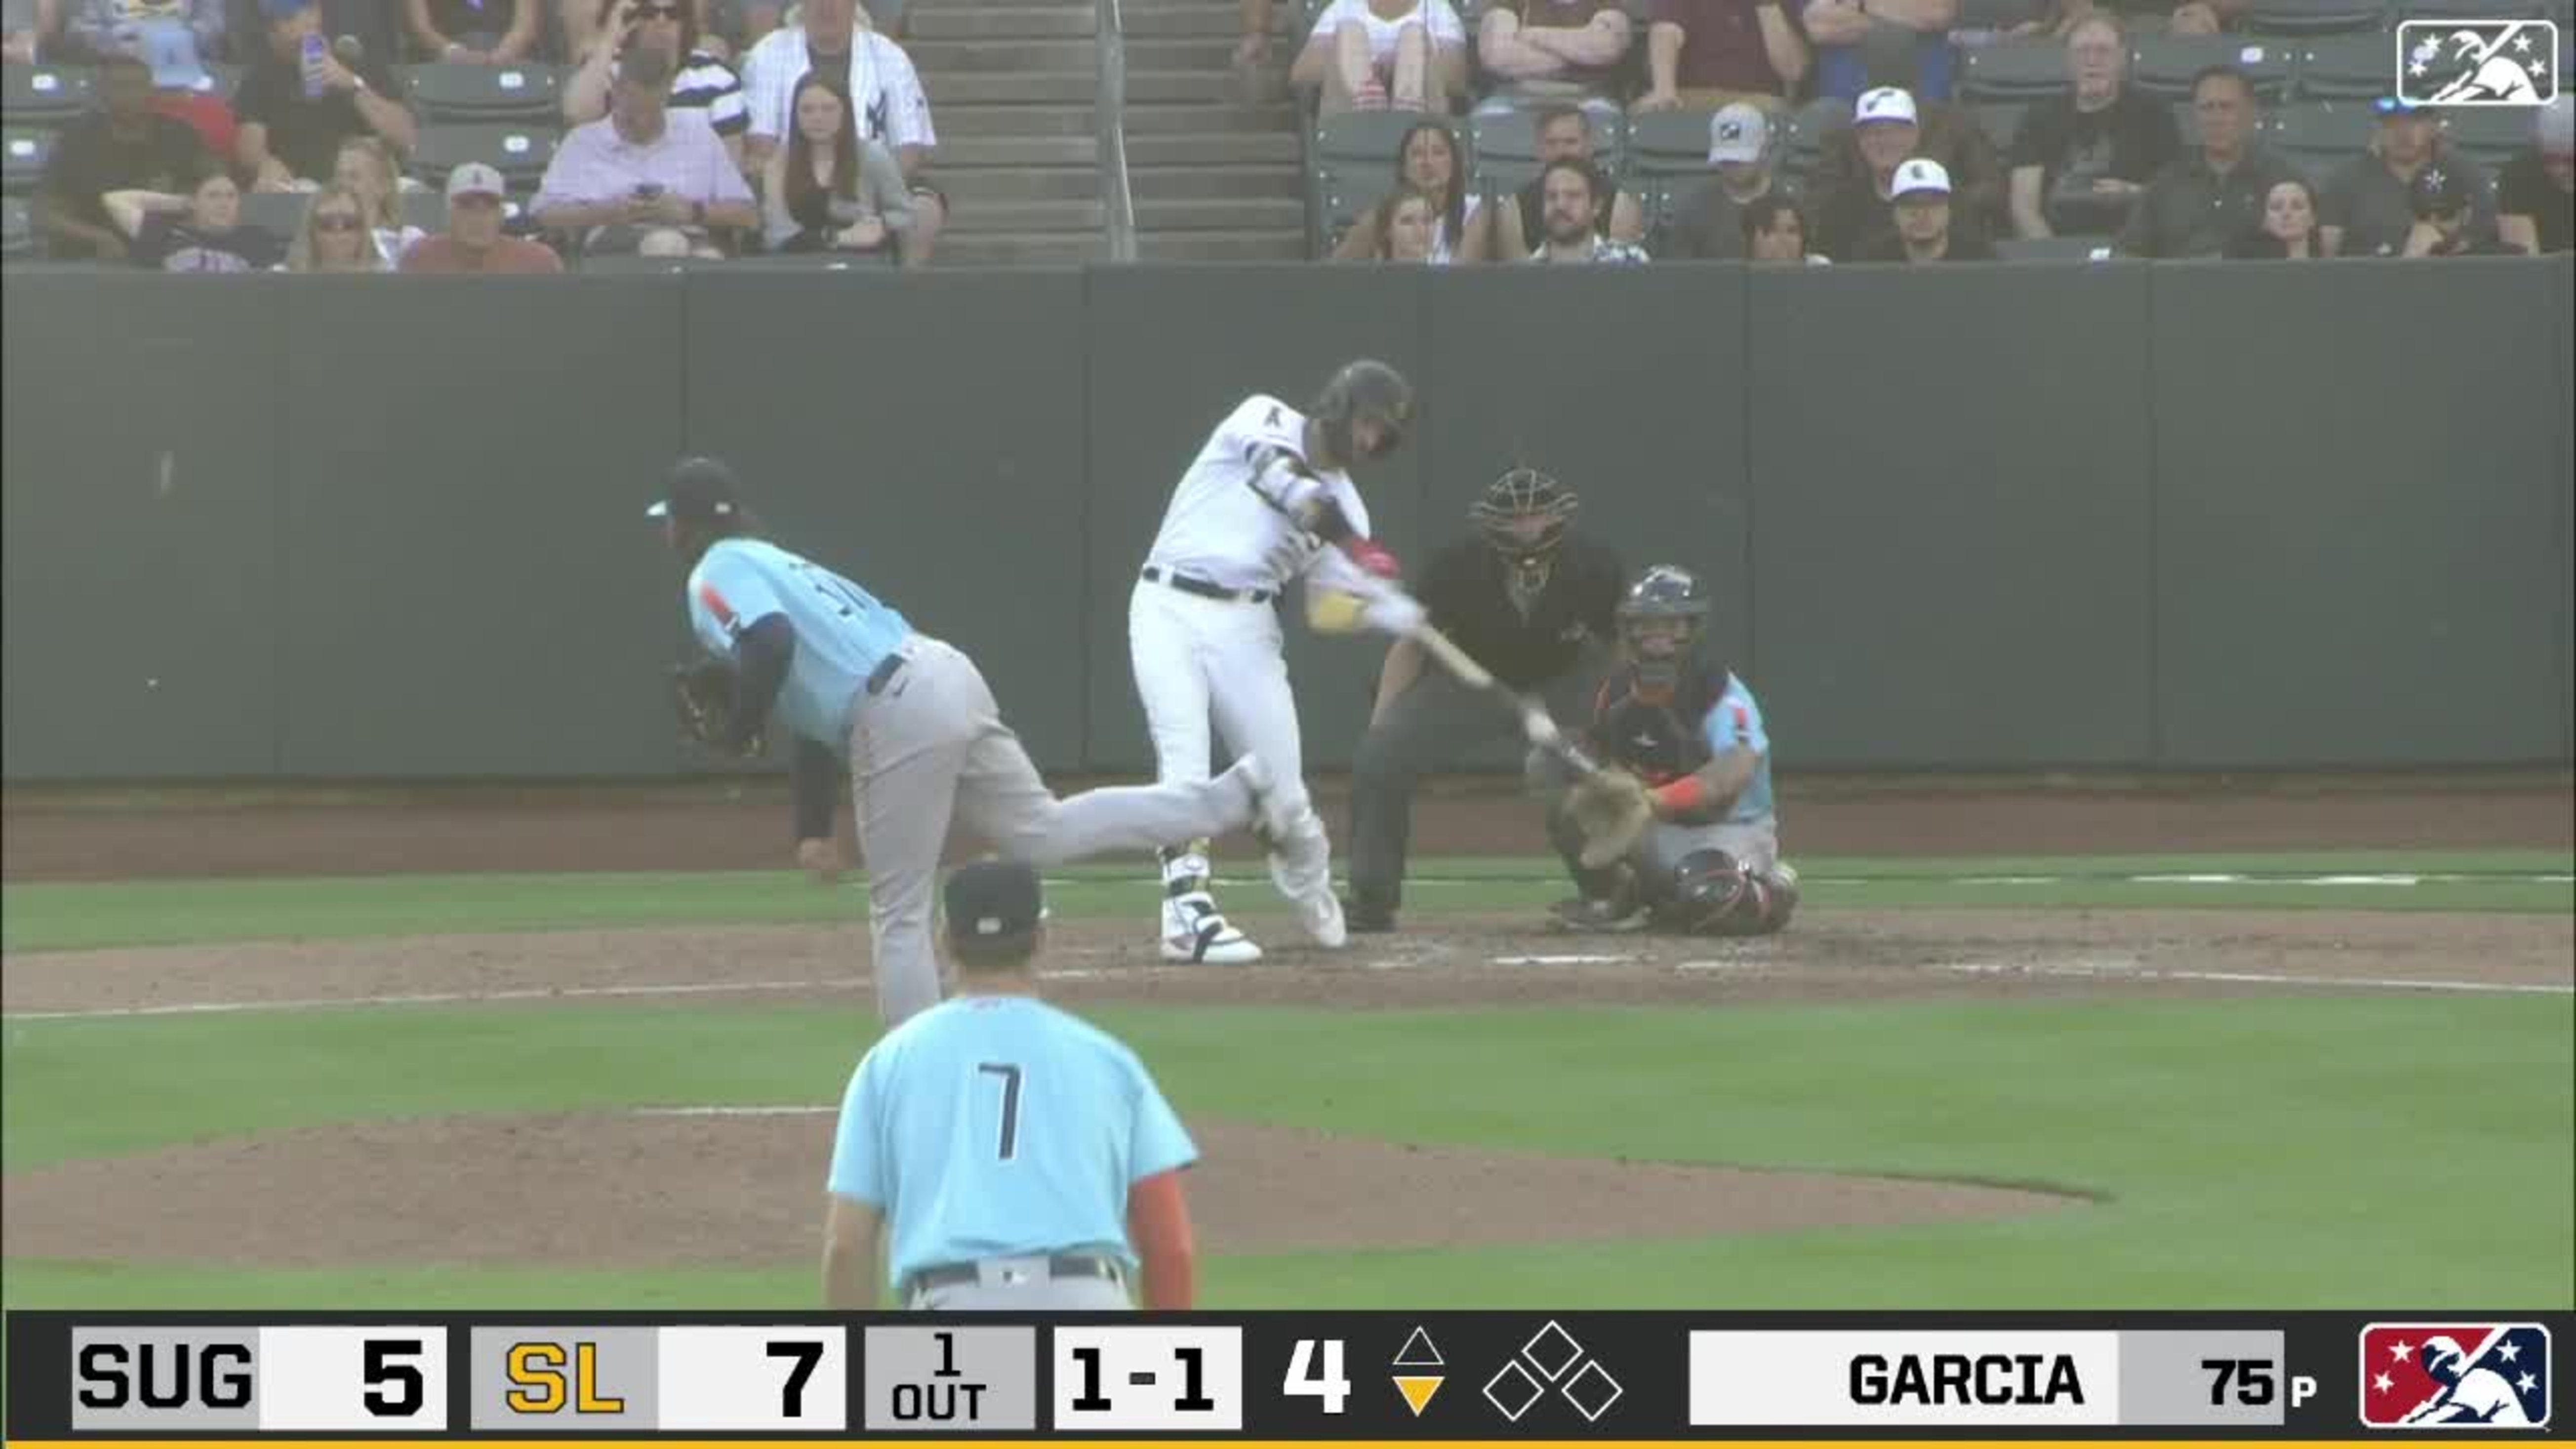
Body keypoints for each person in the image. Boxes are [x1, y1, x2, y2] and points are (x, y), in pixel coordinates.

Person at [652, 456, 1285, 1025]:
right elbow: (800, 690)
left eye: (669, 522)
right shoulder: (772, 558)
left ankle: (919, 1072)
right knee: (1043, 829)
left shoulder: (715, 571)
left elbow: (771, 644)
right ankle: (1236, 795)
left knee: (899, 909)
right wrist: (811, 824)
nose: (667, 534)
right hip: (941, 671)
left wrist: (736, 729)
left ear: (684, 526)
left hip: (893, 707)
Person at [1128, 362, 1425, 965]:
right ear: (1339, 405)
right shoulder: (1262, 417)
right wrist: (1358, 551)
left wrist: (1376, 613)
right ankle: (1185, 916)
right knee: (1182, 761)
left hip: (1246, 627)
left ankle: (1308, 883)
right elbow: (1284, 482)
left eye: (1381, 436)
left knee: (1287, 803)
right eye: (1367, 424)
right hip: (1166, 604)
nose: (1368, 442)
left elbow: (1322, 612)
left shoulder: (1352, 509)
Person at [822, 859, 1200, 1311]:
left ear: (945, 941)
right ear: (1041, 940)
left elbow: (847, 1246)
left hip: (954, 1304)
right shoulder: (1110, 1061)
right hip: (1088, 1303)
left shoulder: (888, 1063)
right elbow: (1170, 1245)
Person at [1343, 468, 1622, 932]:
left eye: (1538, 515)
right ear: (1492, 524)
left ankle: (1608, 893)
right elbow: (1413, 644)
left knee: (1589, 774)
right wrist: (1381, 729)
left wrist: (1619, 718)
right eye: (1515, 518)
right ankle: (1373, 899)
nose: (1528, 528)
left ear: (1559, 518)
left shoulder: (1594, 566)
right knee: (1378, 760)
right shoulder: (1457, 566)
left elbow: (1617, 647)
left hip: (1563, 680)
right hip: (1471, 683)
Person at [1540, 564, 1798, 937]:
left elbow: (1730, 774)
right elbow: (1595, 749)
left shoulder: (1720, 695)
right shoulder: (1614, 692)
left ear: (1692, 630)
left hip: (1726, 831)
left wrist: (1651, 801)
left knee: (1710, 901)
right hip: (1652, 830)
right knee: (1553, 775)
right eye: (1645, 625)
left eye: (1671, 625)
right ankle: (1612, 898)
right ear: (1629, 630)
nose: (1656, 638)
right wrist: (1575, 755)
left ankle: (1772, 887)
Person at [739, 0, 945, 261]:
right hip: (792, 178)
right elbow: (761, 143)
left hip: (873, 180)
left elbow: (910, 146)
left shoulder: (890, 56)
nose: (827, 6)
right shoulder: (767, 53)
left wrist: (870, 185)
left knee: (924, 210)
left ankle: (907, 294)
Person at [532, 41, 758, 256]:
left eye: (651, 112)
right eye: (634, 112)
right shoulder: (583, 143)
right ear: (617, 92)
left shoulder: (700, 138)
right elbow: (544, 213)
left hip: (692, 236)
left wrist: (691, 211)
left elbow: (747, 215)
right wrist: (607, 211)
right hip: (610, 242)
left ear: (667, 94)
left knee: (705, 257)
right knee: (667, 244)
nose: (642, 122)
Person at [2006, 12, 2178, 240]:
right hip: (2057, 248)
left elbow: (2178, 195)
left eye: (2103, 51)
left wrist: (2133, 194)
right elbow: (2024, 208)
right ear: (2068, 60)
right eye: (2082, 51)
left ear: (2123, 57)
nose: (2092, 60)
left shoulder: (2154, 114)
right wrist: (2053, 258)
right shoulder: (2039, 118)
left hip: (2135, 248)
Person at [30, 51, 208, 260]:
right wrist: (99, 238)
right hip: (90, 256)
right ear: (103, 93)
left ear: (151, 91)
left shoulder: (181, 136)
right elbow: (43, 214)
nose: (130, 95)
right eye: (120, 86)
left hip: (168, 253)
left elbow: (216, 190)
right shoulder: (77, 140)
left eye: (138, 86)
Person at [2116, 63, 2296, 258]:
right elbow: (2128, 255)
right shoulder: (2165, 184)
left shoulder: (2282, 180)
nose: (2216, 119)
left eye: (2227, 107)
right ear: (2195, 116)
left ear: (2252, 114)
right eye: (2207, 108)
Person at [233, 0, 416, 190]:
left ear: (317, 15)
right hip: (304, 186)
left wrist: (352, 85)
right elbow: (249, 145)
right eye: (280, 21)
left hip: (368, 181)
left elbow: (405, 137)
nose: (290, 28)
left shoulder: (356, 58)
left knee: (412, 190)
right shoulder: (261, 76)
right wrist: (265, 163)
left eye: (294, 16)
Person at [564, 0, 749, 173]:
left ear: (685, 21)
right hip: (615, 198)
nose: (661, 21)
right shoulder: (609, 70)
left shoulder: (717, 79)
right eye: (649, 12)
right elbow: (578, 113)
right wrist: (611, 36)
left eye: (673, 13)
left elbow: (729, 173)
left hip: (689, 199)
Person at [760, 69, 912, 257]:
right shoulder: (781, 159)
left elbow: (905, 214)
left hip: (861, 263)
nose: (818, 118)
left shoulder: (872, 155)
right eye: (807, 110)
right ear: (795, 115)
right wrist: (840, 238)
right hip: (800, 266)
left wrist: (880, 224)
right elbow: (777, 237)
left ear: (845, 112)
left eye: (828, 109)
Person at [2321, 96, 2496, 258]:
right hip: (2366, 283)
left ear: (2434, 127)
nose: (2402, 133)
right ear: (2377, 130)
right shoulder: (2346, 179)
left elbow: (2482, 240)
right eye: (2391, 124)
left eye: (2415, 122)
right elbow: (2328, 256)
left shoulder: (2464, 174)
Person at [1493, 103, 1646, 257]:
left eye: (1570, 142)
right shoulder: (1515, 206)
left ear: (1589, 145)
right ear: (1539, 148)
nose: (1561, 152)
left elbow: (1620, 269)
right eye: (1551, 143)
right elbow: (1519, 275)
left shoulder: (1620, 202)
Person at [1327, 118, 1486, 262]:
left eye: (1438, 153)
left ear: (1454, 163)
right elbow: (1333, 273)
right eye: (1417, 154)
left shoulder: (1476, 212)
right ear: (1404, 167)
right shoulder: (1382, 215)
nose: (1428, 163)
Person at [1665, 102, 1799, 259]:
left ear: (1764, 150)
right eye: (1726, 158)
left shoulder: (1789, 206)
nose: (1733, 166)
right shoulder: (1694, 209)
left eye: (1741, 158)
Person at [1290, 0, 1469, 114]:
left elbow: (1457, 78)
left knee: (1414, 37)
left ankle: (1406, 109)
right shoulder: (1343, 7)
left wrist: (1397, 67)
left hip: (1422, 112)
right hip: (1350, 109)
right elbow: (1302, 73)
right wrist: (1367, 67)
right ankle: (1368, 105)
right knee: (1350, 31)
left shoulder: (1438, 9)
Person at [1634, 0, 1809, 113]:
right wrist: (1664, 88)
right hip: (1690, 97)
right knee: (1645, 114)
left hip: (1756, 103)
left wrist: (1768, 6)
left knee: (1773, 112)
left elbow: (1793, 70)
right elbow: (1667, 33)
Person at [107, 163, 288, 268]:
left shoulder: (257, 238)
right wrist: (182, 203)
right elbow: (114, 200)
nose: (224, 204)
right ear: (194, 201)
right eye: (213, 196)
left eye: (231, 196)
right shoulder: (165, 234)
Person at [400, 159, 565, 271]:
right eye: (467, 206)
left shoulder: (538, 262)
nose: (478, 218)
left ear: (502, 215)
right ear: (449, 214)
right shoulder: (421, 258)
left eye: (490, 206)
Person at [1858, 155, 1992, 260]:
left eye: (1932, 204)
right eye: (1910, 205)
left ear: (1948, 211)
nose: (1921, 214)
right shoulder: (1873, 261)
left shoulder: (1980, 260)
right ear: (1895, 213)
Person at [1526, 156, 1650, 261]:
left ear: (1596, 206)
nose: (1560, 205)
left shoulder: (1632, 261)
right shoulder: (1524, 274)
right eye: (1551, 196)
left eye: (1573, 196)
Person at [2496, 92, 2571, 256]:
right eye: (2550, 159)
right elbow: (2525, 262)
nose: (2560, 170)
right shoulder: (2517, 176)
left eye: (2572, 160)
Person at [332, 135, 423, 264]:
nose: (343, 184)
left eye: (354, 177)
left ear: (383, 186)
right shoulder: (321, 239)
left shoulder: (408, 242)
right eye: (339, 176)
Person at [2402, 162, 2518, 258]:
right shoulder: (2390, 256)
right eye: (2423, 215)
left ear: (2466, 214)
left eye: (2446, 214)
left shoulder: (2500, 259)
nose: (2433, 222)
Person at [284, 181, 385, 269]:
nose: (339, 233)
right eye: (327, 224)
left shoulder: (386, 278)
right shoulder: (281, 278)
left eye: (349, 224)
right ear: (311, 231)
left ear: (363, 231)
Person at [403, 0, 540, 61]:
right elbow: (421, 27)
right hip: (444, 51)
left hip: (507, 51)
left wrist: (506, 52)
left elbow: (525, 25)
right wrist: (452, 51)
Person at [2222, 174, 2320, 259]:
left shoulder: (2331, 267)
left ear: (2313, 218)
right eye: (2276, 207)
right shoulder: (2243, 266)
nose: (2286, 214)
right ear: (2265, 220)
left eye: (2297, 206)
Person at [1364, 182, 1441, 259]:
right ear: (1387, 230)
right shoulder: (1366, 271)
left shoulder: (1449, 269)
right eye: (1408, 222)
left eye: (1427, 221)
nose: (1421, 230)